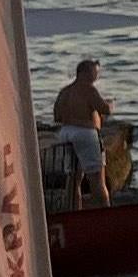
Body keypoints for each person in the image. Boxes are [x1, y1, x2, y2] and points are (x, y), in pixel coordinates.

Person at [49, 60, 115, 207]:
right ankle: (105, 213)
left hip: (65, 133)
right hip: (86, 133)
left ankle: (75, 212)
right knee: (97, 180)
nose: (97, 75)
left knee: (74, 180)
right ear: (84, 73)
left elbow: (57, 116)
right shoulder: (89, 89)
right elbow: (104, 109)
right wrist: (111, 104)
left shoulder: (65, 92)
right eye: (95, 72)